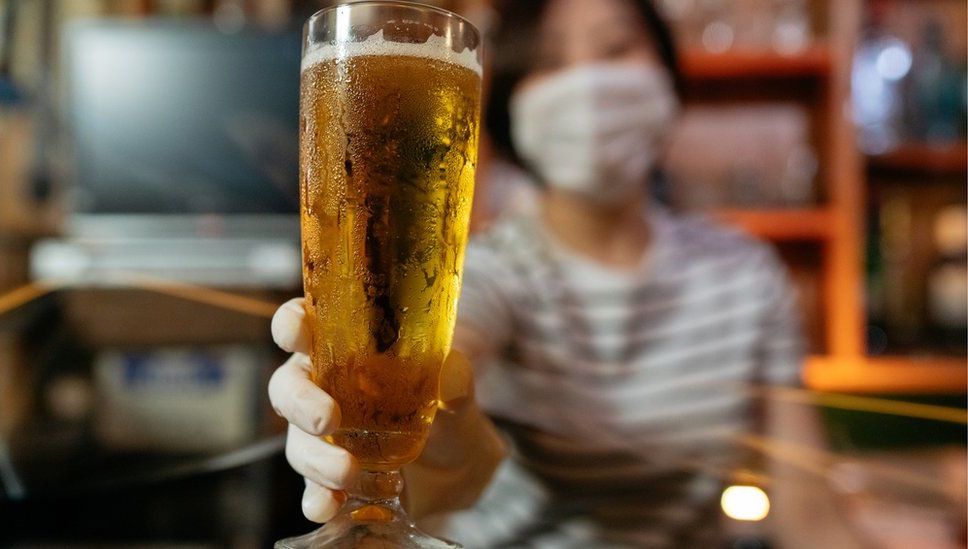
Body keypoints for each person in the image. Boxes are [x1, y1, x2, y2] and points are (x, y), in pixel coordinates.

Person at [270, 0, 863, 546]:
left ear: (668, 75)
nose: (588, 84)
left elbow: (809, 513)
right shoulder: (493, 270)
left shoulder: (747, 274)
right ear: (511, 104)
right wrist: (400, 433)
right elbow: (458, 337)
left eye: (615, 49)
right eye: (551, 60)